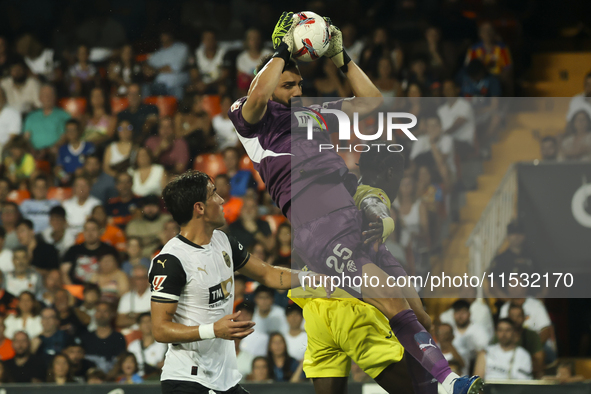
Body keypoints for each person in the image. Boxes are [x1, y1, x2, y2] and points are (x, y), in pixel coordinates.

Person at [228, 15, 481, 393]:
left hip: (351, 217)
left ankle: (441, 384)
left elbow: (372, 101)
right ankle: (447, 382)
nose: (297, 91)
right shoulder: (253, 117)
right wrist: (281, 49)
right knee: (394, 303)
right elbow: (258, 95)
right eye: (288, 84)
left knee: (420, 314)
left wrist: (340, 56)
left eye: (300, 83)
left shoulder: (314, 112)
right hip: (319, 225)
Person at [149, 170, 324, 393]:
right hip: (188, 380)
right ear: (199, 208)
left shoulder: (223, 241)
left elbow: (267, 274)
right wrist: (212, 329)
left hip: (224, 380)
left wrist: (312, 278)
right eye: (213, 194)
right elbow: (160, 329)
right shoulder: (171, 260)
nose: (221, 200)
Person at [61, 219, 119, 285]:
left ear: (100, 231)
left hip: (102, 289)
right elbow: (64, 272)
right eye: (87, 230)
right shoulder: (73, 250)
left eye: (93, 230)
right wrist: (71, 290)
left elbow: (116, 273)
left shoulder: (109, 250)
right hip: (76, 289)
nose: (90, 233)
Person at [22, 84, 71, 152]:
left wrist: (54, 147)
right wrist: (32, 150)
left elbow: (67, 135)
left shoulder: (64, 115)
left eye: (50, 94)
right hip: (34, 153)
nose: (47, 98)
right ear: (40, 98)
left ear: (55, 97)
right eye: (44, 95)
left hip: (54, 152)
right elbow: (26, 137)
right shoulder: (31, 117)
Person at [81, 302, 127, 373]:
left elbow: (121, 360)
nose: (101, 314)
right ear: (95, 314)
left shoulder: (118, 337)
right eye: (99, 311)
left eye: (105, 311)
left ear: (111, 314)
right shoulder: (86, 337)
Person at [144, 28, 189, 100]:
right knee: (145, 88)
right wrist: (149, 68)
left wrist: (155, 70)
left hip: (177, 84)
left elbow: (175, 68)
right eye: (162, 34)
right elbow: (147, 68)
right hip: (160, 85)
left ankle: (179, 111)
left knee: (178, 90)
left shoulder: (181, 48)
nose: (164, 36)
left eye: (166, 34)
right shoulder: (157, 53)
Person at [504, 304, 544, 379]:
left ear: (524, 318)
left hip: (525, 375)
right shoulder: (501, 336)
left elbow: (539, 362)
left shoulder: (532, 336)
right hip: (503, 373)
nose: (515, 319)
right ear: (508, 318)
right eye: (512, 316)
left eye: (518, 316)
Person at [127, 313, 167, 377]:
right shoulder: (133, 346)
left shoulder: (163, 345)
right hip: (136, 380)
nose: (147, 324)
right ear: (139, 325)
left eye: (149, 321)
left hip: (155, 379)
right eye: (143, 322)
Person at [116, 265, 150, 329]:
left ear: (148, 279)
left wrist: (132, 316)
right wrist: (145, 316)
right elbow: (120, 321)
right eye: (137, 278)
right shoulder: (126, 297)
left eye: (143, 278)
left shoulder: (155, 295)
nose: (140, 281)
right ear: (132, 280)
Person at [0, 87, 20, 155]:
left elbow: (13, 138)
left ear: (4, 99)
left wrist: (2, 149)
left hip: (6, 149)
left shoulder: (13, 113)